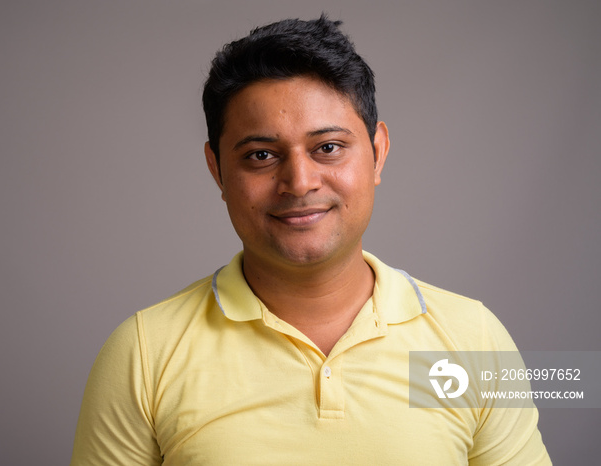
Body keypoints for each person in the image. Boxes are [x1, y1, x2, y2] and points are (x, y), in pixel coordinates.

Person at [71, 15, 551, 465]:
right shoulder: (145, 353)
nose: (299, 182)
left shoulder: (473, 341)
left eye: (328, 148)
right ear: (217, 169)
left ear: (378, 153)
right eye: (261, 154)